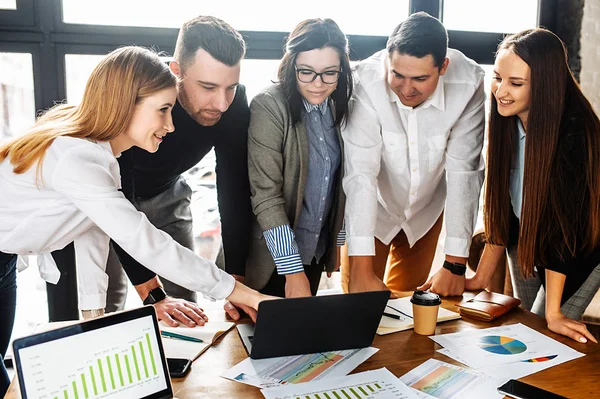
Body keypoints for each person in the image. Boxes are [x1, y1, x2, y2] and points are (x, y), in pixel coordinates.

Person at [0, 46, 268, 396]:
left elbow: (92, 235)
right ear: (127, 104)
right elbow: (146, 242)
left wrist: (94, 321)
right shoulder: (76, 158)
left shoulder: (99, 155)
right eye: (163, 110)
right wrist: (249, 295)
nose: (170, 125)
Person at [104, 16, 253, 325]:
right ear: (176, 72)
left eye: (230, 87)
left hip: (168, 193)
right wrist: (153, 294)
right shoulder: (137, 92)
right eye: (208, 87)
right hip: (108, 196)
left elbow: (233, 186)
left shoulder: (232, 102)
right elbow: (116, 201)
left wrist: (237, 281)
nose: (222, 103)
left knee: (186, 308)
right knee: (107, 304)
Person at [467, 28, 600, 344]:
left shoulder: (577, 134)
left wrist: (554, 313)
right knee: (525, 329)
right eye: (498, 77)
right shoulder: (507, 116)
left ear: (545, 85)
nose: (501, 91)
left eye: (515, 83)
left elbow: (563, 231)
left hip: (579, 248)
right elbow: (502, 202)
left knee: (544, 333)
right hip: (525, 237)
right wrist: (481, 277)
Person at [341, 12, 485, 297]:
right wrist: (360, 274)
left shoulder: (469, 83)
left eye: (419, 78)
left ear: (443, 67)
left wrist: (455, 266)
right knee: (357, 303)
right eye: (397, 75)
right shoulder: (364, 81)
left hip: (425, 214)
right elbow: (360, 175)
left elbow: (464, 172)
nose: (406, 89)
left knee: (407, 315)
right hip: (374, 209)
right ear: (387, 61)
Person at [244, 18, 351, 297]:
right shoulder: (269, 105)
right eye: (306, 72)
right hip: (270, 262)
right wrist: (292, 271)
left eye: (329, 73)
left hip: (314, 254)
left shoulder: (340, 108)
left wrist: (335, 244)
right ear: (292, 66)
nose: (318, 84)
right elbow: (266, 196)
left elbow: (339, 184)